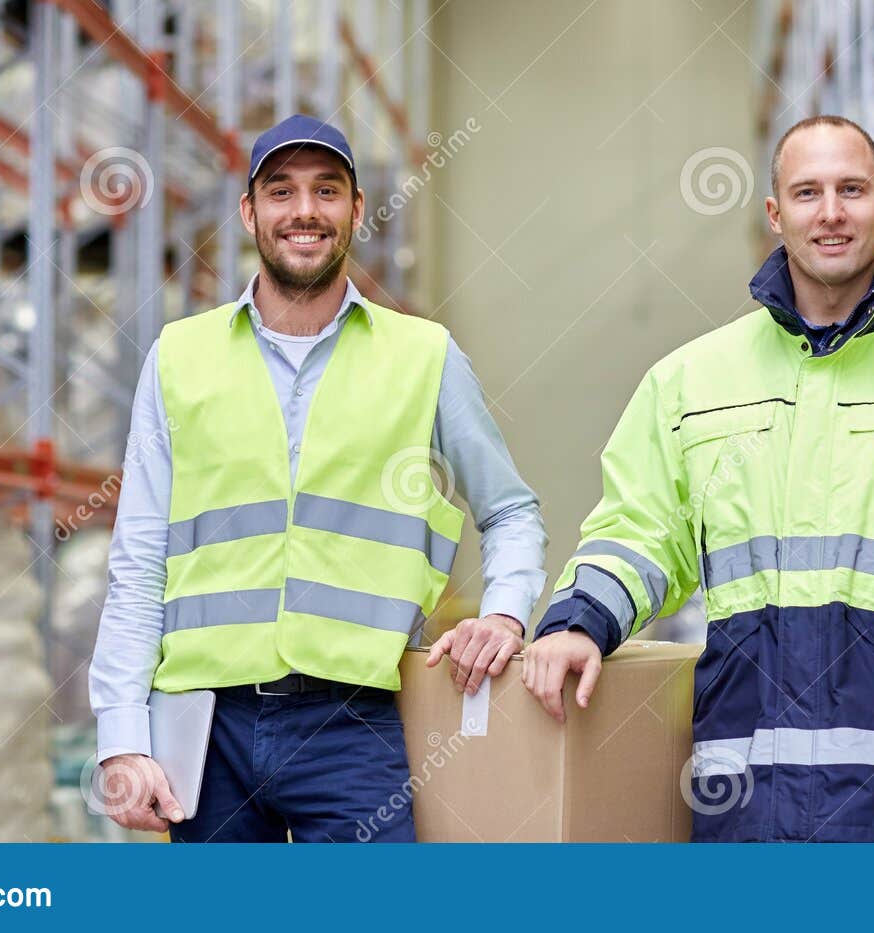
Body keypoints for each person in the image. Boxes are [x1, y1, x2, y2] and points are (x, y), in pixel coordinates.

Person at [522, 115, 874, 843]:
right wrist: (578, 621)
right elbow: (639, 530)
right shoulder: (691, 381)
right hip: (746, 798)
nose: (829, 212)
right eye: (807, 192)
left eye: (850, 190)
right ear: (775, 213)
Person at [89, 114, 546, 842]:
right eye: (281, 191)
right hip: (208, 727)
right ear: (250, 212)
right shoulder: (179, 357)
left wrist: (505, 613)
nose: (305, 210)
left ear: (356, 211)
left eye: (327, 190)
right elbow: (139, 559)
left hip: (355, 722)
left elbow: (511, 510)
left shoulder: (423, 356)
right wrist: (122, 732)